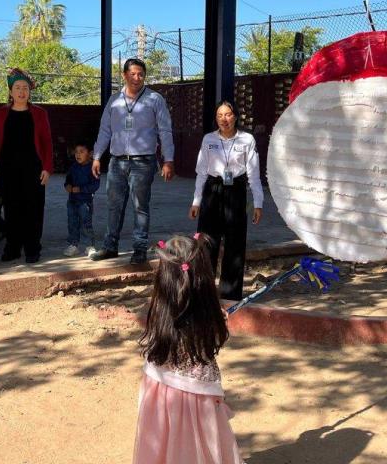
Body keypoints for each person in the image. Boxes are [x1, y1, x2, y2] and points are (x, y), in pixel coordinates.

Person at [134, 234, 241, 464]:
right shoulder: (209, 319)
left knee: (166, 445)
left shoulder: (159, 311)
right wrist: (216, 318)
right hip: (198, 395)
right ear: (203, 275)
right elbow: (211, 342)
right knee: (196, 446)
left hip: (160, 392)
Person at [92, 58, 175, 265]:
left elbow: (165, 131)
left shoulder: (155, 99)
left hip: (143, 162)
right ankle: (110, 247)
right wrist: (96, 157)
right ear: (124, 75)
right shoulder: (114, 101)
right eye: (133, 74)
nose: (137, 78)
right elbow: (105, 130)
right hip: (116, 162)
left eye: (141, 74)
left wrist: (168, 160)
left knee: (140, 206)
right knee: (114, 206)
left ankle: (139, 249)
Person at [190, 101, 265, 301]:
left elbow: (254, 174)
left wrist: (258, 203)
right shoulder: (208, 139)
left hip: (236, 192)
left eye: (228, 114)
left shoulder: (247, 140)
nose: (224, 119)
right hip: (212, 191)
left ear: (236, 116)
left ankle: (230, 294)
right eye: (220, 115)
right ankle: (202, 291)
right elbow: (201, 172)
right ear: (216, 118)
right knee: (206, 243)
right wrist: (196, 201)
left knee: (235, 243)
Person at [0, 68, 53, 264]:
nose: (21, 92)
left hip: (34, 168)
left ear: (29, 91)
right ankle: (13, 247)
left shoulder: (40, 114)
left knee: (33, 209)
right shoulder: (1, 114)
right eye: (17, 88)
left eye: (25, 88)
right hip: (8, 168)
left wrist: (47, 168)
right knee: (12, 208)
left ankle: (33, 248)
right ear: (10, 91)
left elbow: (47, 142)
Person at [63, 140, 100, 257]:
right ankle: (73, 245)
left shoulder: (92, 167)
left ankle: (89, 245)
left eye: (81, 152)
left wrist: (81, 189)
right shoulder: (73, 167)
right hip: (72, 201)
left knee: (86, 223)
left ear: (90, 153)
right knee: (72, 222)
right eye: (76, 152)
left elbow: (95, 185)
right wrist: (67, 186)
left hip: (85, 202)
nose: (78, 154)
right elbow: (68, 179)